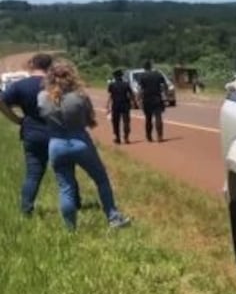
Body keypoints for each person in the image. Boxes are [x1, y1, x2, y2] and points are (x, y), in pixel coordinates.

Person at [38, 60, 131, 231]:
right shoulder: (80, 95)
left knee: (65, 188)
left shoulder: (43, 97)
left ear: (49, 77)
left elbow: (42, 117)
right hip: (79, 141)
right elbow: (90, 120)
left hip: (56, 144)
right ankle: (113, 217)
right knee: (101, 179)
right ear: (72, 76)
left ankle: (70, 228)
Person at [0, 53, 81, 215]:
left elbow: (1, 101)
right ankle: (75, 204)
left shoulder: (20, 85)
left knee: (33, 174)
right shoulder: (57, 84)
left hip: (32, 133)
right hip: (58, 133)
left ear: (32, 65)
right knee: (66, 171)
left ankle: (26, 209)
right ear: (50, 67)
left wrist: (17, 119)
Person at [137, 60, 167, 142]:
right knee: (158, 117)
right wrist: (165, 95)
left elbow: (140, 89)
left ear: (144, 68)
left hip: (147, 99)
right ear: (151, 66)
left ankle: (149, 136)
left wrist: (138, 98)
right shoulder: (157, 74)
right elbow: (164, 85)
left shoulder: (142, 76)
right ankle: (159, 136)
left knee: (148, 118)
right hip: (157, 97)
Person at [106, 69, 135, 144]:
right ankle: (126, 137)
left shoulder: (112, 85)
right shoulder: (126, 84)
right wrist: (132, 102)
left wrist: (107, 105)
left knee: (115, 122)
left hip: (116, 105)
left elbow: (110, 96)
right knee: (126, 122)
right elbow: (131, 94)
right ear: (121, 76)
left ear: (115, 77)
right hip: (125, 104)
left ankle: (118, 138)